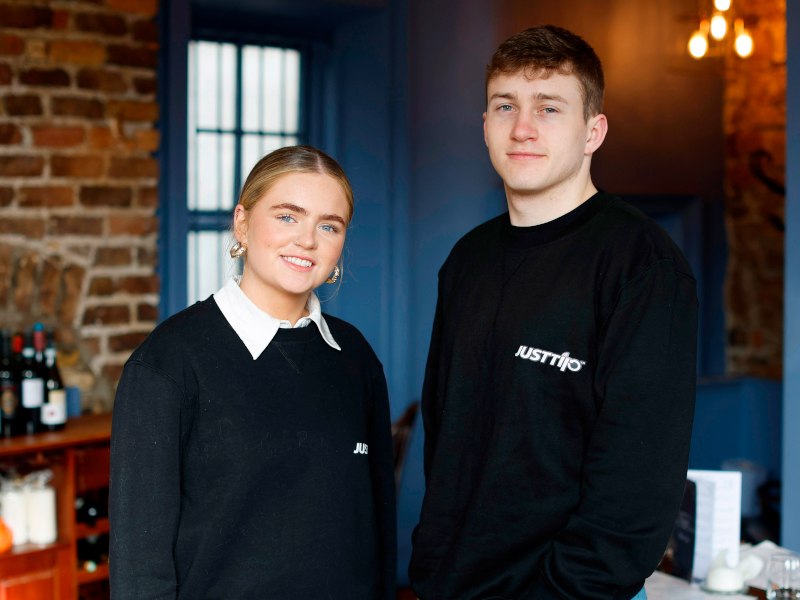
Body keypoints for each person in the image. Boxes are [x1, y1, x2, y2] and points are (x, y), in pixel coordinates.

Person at [408, 25, 698, 600]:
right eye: (505, 105)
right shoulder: (467, 260)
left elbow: (638, 483)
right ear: (485, 125)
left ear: (594, 131)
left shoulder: (642, 266)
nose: (522, 128)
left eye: (549, 108)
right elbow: (447, 439)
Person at [109, 145, 396, 600]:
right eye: (287, 216)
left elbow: (377, 528)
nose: (307, 240)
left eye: (329, 225)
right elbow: (139, 569)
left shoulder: (354, 356)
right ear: (242, 222)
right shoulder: (167, 364)